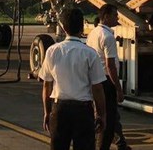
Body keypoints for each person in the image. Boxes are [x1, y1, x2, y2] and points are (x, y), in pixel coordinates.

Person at [39, 8, 106, 150]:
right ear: (82, 26)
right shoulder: (90, 53)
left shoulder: (52, 51)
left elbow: (47, 85)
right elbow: (97, 88)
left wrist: (47, 111)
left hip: (60, 109)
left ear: (62, 26)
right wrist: (101, 114)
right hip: (83, 110)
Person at [86, 4, 126, 150]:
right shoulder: (108, 36)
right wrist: (118, 88)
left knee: (111, 115)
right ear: (106, 16)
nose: (117, 18)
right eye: (115, 15)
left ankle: (122, 144)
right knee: (106, 120)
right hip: (106, 80)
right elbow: (111, 66)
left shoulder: (93, 33)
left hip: (95, 79)